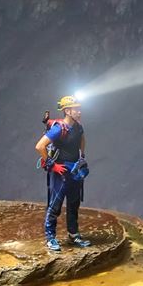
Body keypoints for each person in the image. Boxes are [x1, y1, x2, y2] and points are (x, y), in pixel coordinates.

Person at [35, 95, 91, 252]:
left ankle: (73, 234)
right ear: (67, 111)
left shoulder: (78, 127)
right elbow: (40, 146)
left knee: (74, 204)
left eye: (79, 109)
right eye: (76, 109)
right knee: (55, 205)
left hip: (74, 171)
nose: (79, 112)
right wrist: (52, 165)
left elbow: (82, 139)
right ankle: (50, 237)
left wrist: (82, 156)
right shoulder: (59, 129)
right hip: (61, 172)